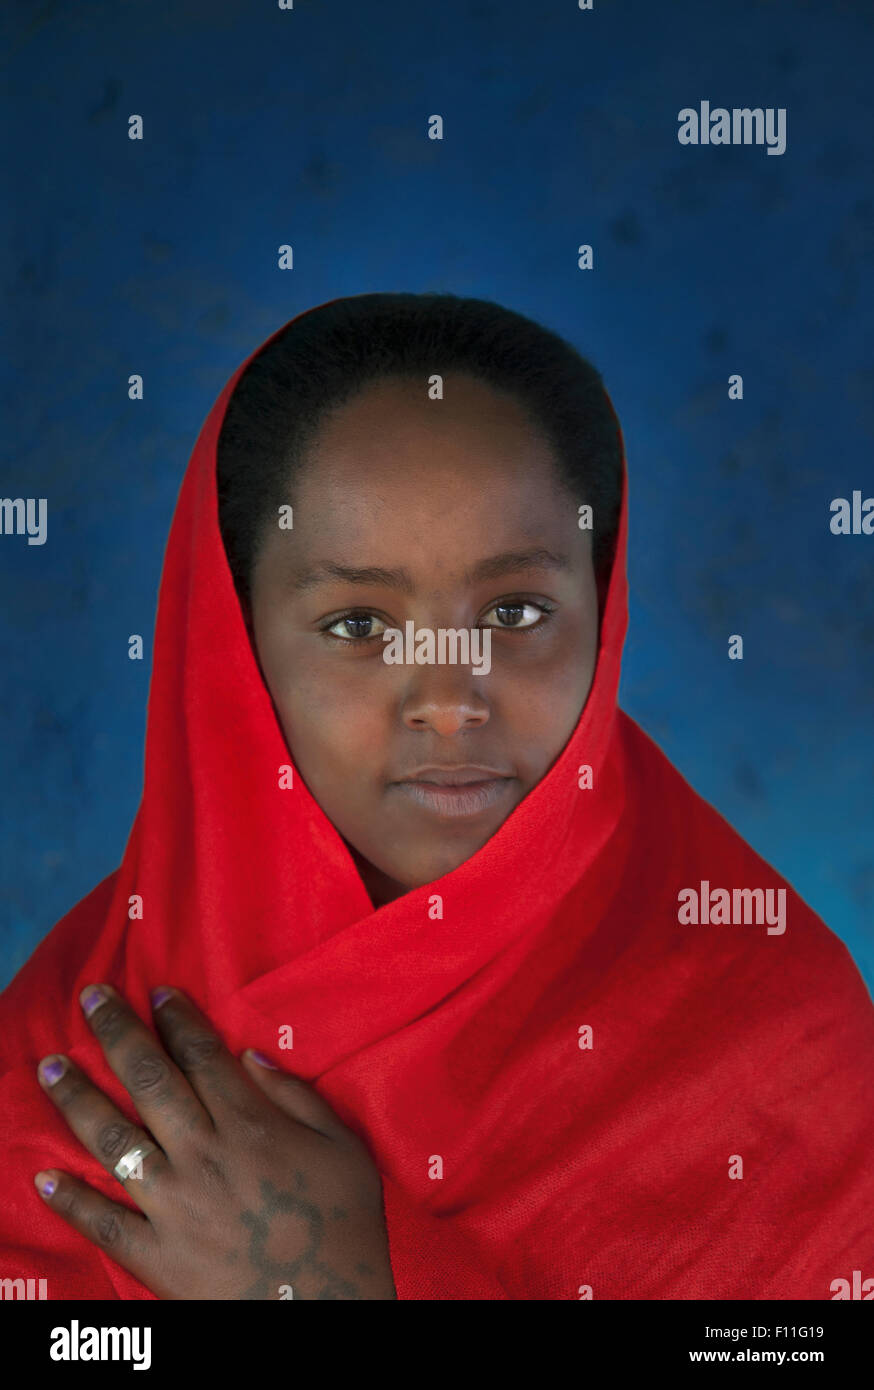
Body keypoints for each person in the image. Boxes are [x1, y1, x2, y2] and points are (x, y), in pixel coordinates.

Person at [0, 292, 871, 1300]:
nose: (450, 700)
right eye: (358, 625)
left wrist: (350, 1284)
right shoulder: (71, 1050)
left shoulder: (772, 1038)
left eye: (513, 610)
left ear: (603, 605)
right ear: (229, 643)